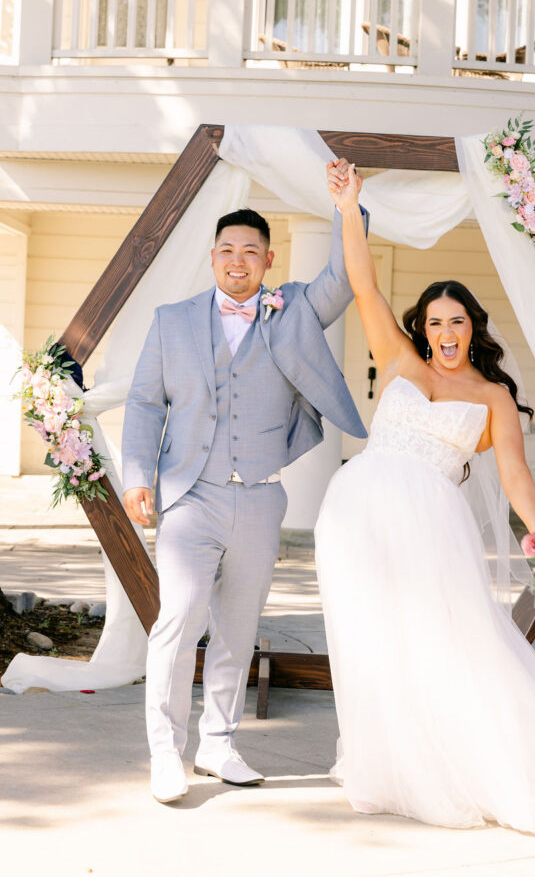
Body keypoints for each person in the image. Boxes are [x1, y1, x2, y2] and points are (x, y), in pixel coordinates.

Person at [315, 160, 535, 837]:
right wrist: (348, 209)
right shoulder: (399, 361)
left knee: (450, 643)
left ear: (472, 326)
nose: (444, 331)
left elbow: (514, 472)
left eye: (455, 320)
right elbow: (364, 286)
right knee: (371, 642)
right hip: (355, 517)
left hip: (431, 523)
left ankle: (477, 765)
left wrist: (533, 530)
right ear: (422, 328)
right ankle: (384, 765)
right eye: (434, 321)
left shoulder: (492, 398)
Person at [122, 206, 367, 804]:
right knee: (178, 618)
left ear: (268, 260)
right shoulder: (172, 321)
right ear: (213, 257)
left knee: (238, 627)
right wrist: (136, 475)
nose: (238, 260)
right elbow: (145, 402)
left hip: (259, 495)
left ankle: (219, 743)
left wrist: (346, 207)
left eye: (251, 251)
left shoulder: (295, 312)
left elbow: (343, 273)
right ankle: (165, 752)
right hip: (190, 494)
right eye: (228, 250)